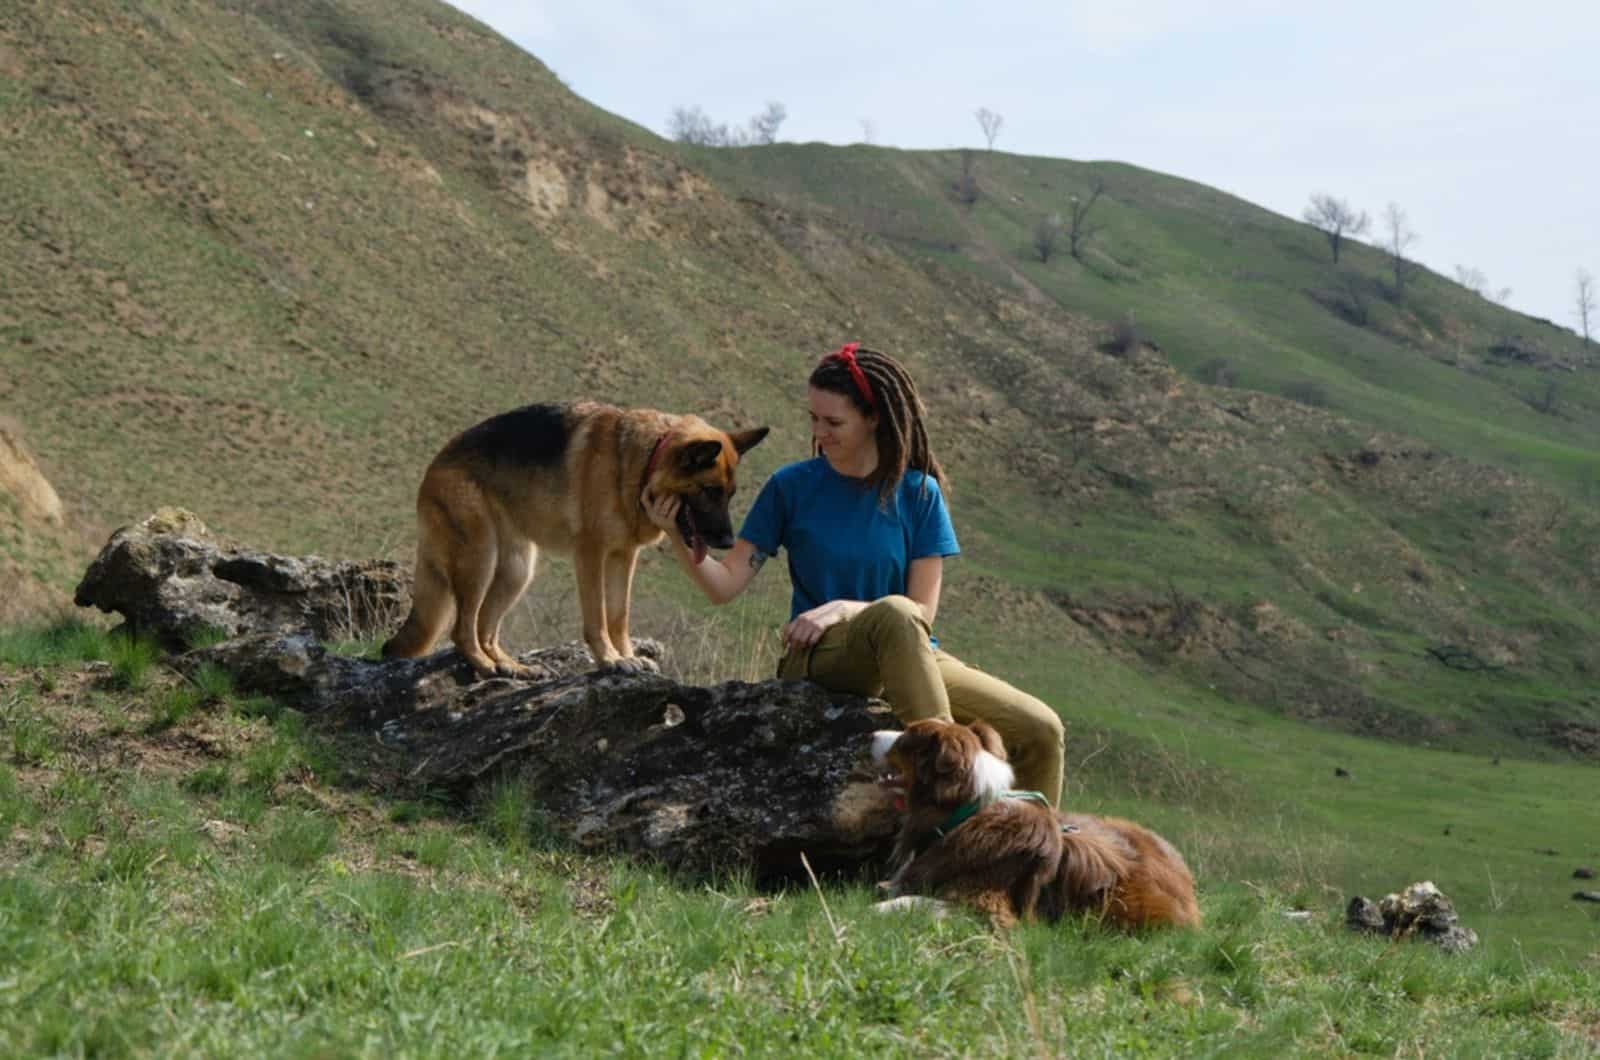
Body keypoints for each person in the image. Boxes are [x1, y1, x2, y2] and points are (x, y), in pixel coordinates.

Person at [643, 343, 1065, 804]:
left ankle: (1032, 857)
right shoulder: (791, 486)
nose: (819, 433)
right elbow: (725, 585)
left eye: (833, 422)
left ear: (874, 418)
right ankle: (952, 789)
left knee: (1041, 729)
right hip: (820, 654)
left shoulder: (919, 494)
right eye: (813, 419)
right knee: (897, 615)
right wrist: (676, 533)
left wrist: (845, 608)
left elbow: (922, 612)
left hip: (908, 648)